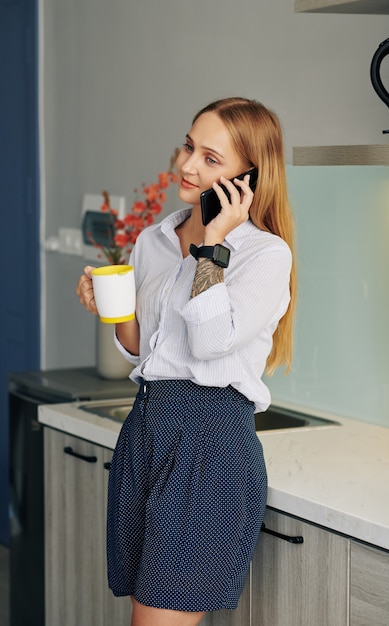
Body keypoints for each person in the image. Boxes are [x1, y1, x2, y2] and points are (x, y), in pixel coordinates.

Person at [76, 96, 296, 626]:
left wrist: (213, 245)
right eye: (189, 146)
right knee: (143, 609)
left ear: (249, 177)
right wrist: (109, 311)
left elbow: (210, 340)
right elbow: (145, 348)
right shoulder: (155, 239)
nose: (188, 165)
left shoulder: (265, 255)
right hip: (147, 431)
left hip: (210, 449)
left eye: (211, 158)